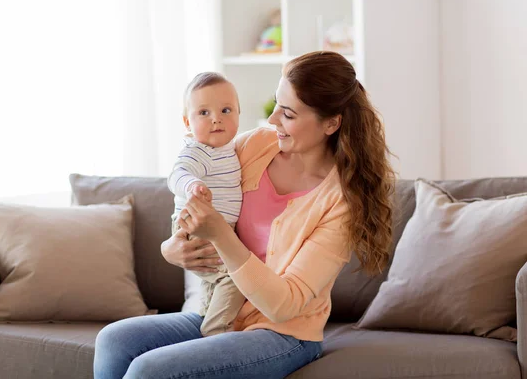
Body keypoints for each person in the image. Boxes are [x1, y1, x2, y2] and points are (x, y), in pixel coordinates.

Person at [93, 51, 395, 379]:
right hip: (218, 311)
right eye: (276, 104)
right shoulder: (256, 146)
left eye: (289, 114)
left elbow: (284, 305)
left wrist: (220, 234)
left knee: (148, 370)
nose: (272, 119)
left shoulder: (340, 203)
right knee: (115, 340)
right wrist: (172, 249)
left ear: (331, 123)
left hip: (282, 333)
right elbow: (197, 189)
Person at [167, 72, 246, 337]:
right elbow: (177, 174)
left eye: (226, 110)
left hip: (217, 230)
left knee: (214, 281)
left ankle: (205, 320)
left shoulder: (230, 148)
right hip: (196, 227)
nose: (216, 118)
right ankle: (215, 335)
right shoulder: (199, 151)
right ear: (187, 122)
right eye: (203, 112)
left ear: (238, 114)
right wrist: (192, 185)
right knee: (236, 277)